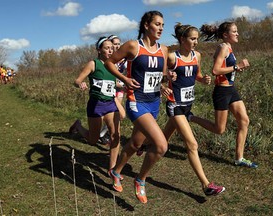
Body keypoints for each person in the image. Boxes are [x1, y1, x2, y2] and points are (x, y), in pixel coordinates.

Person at [105, 10, 170, 204]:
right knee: (160, 146)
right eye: (157, 24)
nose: (160, 28)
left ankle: (115, 171)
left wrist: (165, 84)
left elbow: (161, 75)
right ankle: (140, 180)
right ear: (146, 25)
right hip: (136, 102)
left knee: (135, 144)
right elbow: (110, 63)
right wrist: (124, 79)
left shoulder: (163, 50)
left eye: (163, 25)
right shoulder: (133, 46)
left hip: (154, 102)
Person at [158, 23, 225, 196]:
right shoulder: (172, 57)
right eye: (192, 39)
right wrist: (162, 84)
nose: (196, 42)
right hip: (175, 105)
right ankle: (206, 185)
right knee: (192, 144)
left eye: (197, 39)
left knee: (163, 140)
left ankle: (144, 145)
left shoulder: (197, 56)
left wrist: (204, 80)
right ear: (182, 39)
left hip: (188, 104)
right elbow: (156, 73)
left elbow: (197, 75)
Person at [189, 22, 258, 168]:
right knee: (219, 130)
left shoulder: (229, 48)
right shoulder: (223, 47)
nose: (238, 33)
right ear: (226, 35)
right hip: (221, 92)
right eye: (235, 31)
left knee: (244, 121)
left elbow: (224, 69)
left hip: (231, 90)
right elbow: (215, 70)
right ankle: (190, 117)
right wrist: (236, 66)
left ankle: (239, 158)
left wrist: (234, 70)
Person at [69, 36, 121, 172]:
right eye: (107, 48)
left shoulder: (113, 65)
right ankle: (78, 126)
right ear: (99, 50)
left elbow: (113, 83)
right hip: (96, 105)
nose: (110, 51)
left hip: (110, 104)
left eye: (112, 48)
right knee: (93, 140)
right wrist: (81, 83)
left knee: (115, 135)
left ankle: (113, 170)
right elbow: (77, 80)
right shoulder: (93, 64)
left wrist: (125, 84)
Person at [99, 35, 126, 145]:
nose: (117, 46)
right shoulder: (108, 59)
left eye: (119, 44)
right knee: (114, 114)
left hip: (119, 88)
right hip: (110, 88)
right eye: (115, 44)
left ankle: (105, 134)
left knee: (118, 114)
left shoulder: (122, 58)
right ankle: (102, 133)